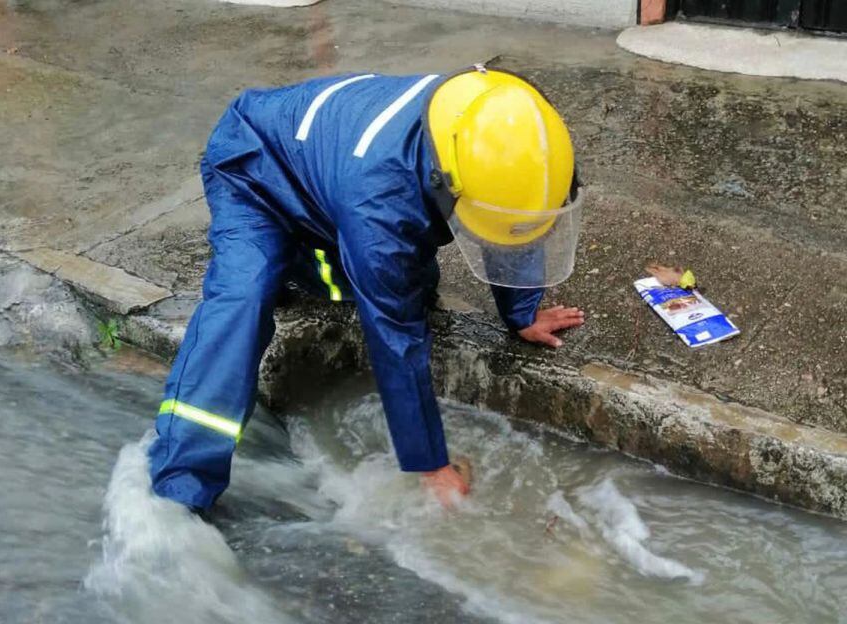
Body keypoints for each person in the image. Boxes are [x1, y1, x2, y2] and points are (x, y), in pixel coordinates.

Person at [148, 65, 586, 511]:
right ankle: (179, 488)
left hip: (333, 170)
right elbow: (395, 336)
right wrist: (431, 464)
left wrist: (521, 312)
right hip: (252, 164)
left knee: (407, 281)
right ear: (444, 185)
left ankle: (296, 256)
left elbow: (512, 218)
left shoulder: (505, 120)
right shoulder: (380, 207)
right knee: (245, 299)